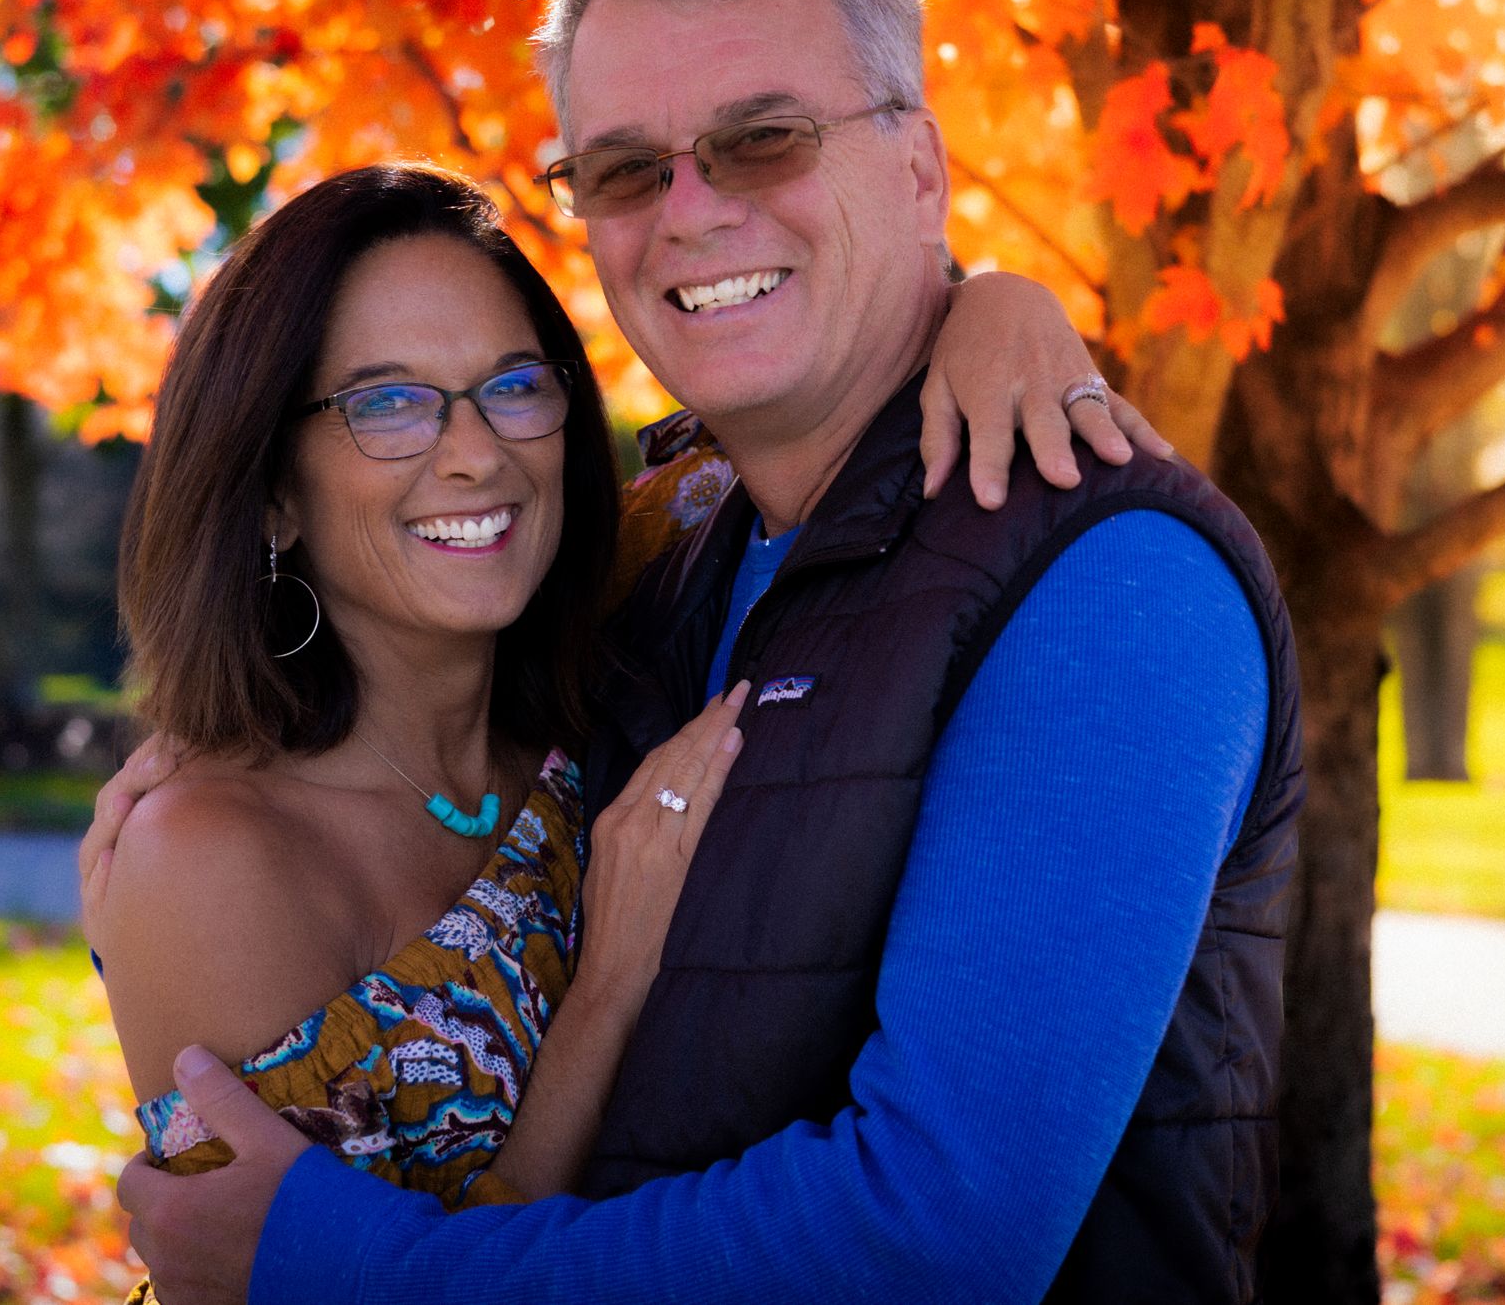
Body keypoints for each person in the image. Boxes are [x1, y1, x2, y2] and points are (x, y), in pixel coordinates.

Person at [94, 0, 1302, 1304]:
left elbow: (934, 1238)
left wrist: (336, 1255)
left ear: (920, 166)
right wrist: (205, 789)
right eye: (621, 169)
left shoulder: (1113, 590)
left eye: (764, 138)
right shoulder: (669, 551)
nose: (691, 212)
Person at [89, 166, 1145, 1241]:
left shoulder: (626, 629)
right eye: (387, 403)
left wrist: (999, 301)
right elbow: (352, 1275)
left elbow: (812, 425)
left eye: (512, 384)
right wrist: (610, 979)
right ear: (270, 487)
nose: (475, 454)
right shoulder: (210, 857)